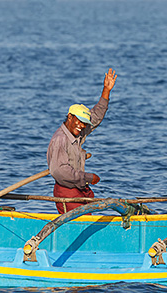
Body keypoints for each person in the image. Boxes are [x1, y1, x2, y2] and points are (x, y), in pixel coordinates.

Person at [47, 68, 117, 214]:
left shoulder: (77, 133)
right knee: (80, 224)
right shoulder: (61, 139)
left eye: (84, 123)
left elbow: (96, 116)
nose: (82, 126)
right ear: (70, 117)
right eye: (79, 121)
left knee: (88, 218)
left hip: (79, 189)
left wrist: (106, 90)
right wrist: (88, 177)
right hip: (67, 192)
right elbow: (60, 171)